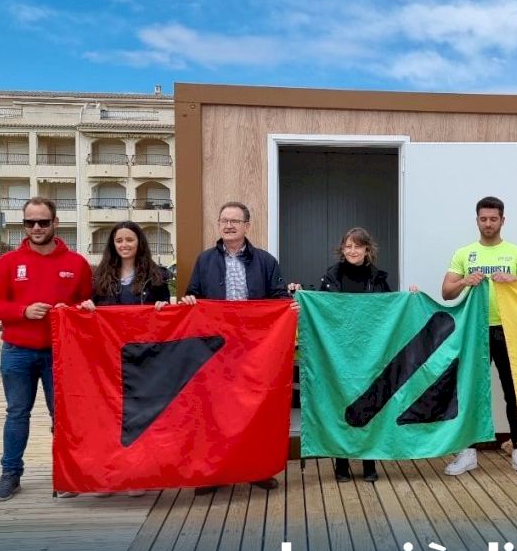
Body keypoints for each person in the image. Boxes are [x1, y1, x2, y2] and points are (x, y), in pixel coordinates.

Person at [179, 201, 295, 490]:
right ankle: (213, 474)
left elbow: (279, 298)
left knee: (254, 409)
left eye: (234, 221)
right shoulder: (205, 260)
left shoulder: (266, 261)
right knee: (213, 410)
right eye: (224, 220)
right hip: (214, 349)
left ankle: (257, 470)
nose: (228, 225)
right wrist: (190, 299)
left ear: (247, 226)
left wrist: (290, 305)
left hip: (253, 349)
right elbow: (193, 294)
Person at [0, 197, 92, 501]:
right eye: (29, 222)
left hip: (60, 354)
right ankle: (10, 474)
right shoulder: (8, 262)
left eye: (43, 222)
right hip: (17, 351)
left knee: (63, 417)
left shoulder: (77, 264)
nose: (36, 228)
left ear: (56, 223)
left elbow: (87, 305)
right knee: (17, 413)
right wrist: (23, 311)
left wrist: (72, 310)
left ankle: (66, 475)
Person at [441, 196, 517, 479]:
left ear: (502, 221)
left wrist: (514, 280)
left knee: (514, 391)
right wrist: (464, 281)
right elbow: (446, 292)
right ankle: (468, 451)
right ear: (477, 221)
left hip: (509, 330)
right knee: (471, 390)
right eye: (483, 219)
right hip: (475, 331)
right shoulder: (464, 253)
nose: (488, 224)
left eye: (493, 219)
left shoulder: (516, 253)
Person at [314, 227, 418, 483]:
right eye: (348, 246)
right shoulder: (330, 277)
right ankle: (341, 462)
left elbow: (391, 309)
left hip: (371, 352)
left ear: (367, 250)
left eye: (357, 246)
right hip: (339, 353)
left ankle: (369, 460)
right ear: (342, 249)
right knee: (341, 402)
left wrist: (410, 297)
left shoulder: (378, 279)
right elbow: (320, 309)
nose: (352, 251)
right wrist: (298, 294)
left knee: (371, 402)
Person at [77, 221, 171, 498]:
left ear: (139, 242)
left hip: (144, 358)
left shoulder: (157, 276)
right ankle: (109, 476)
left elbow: (166, 314)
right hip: (109, 359)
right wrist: (87, 307)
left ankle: (137, 474)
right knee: (109, 416)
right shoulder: (99, 276)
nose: (124, 245)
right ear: (112, 244)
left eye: (130, 239)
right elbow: (89, 311)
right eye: (119, 240)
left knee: (141, 417)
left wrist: (163, 308)